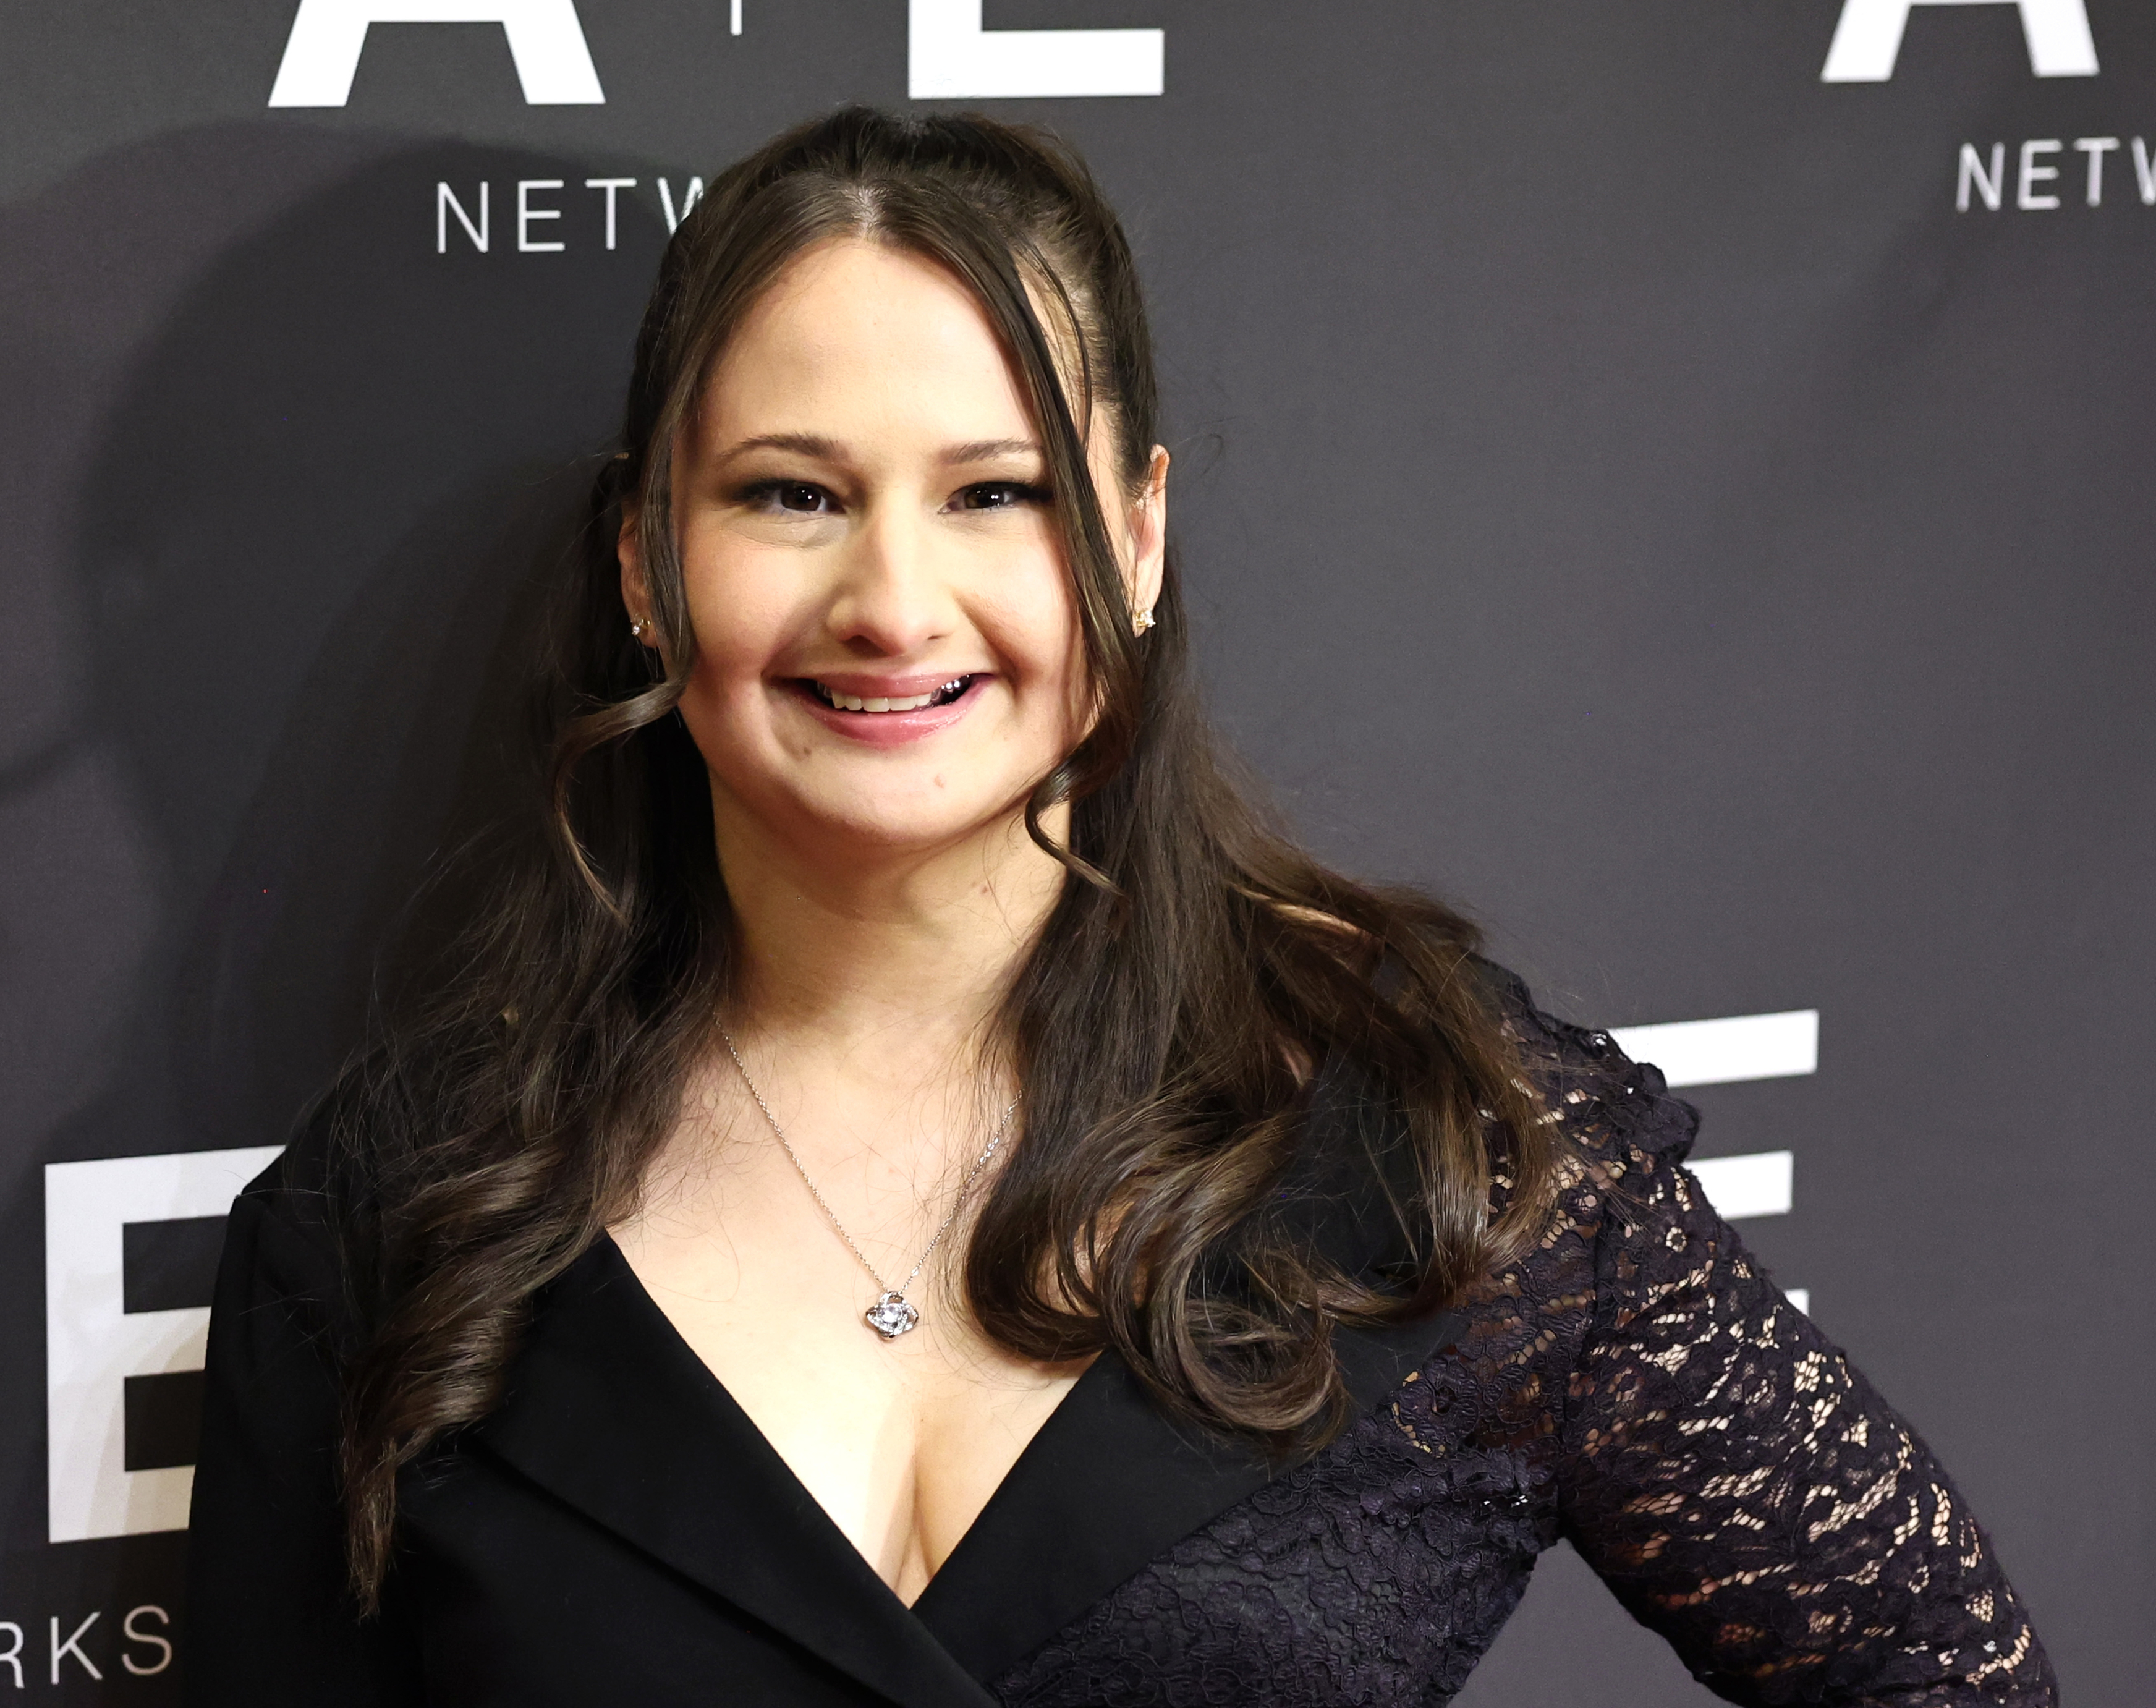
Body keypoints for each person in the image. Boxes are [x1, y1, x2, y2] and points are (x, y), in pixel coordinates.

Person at [185, 109, 2051, 1707]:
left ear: (1135, 538)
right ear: (646, 563)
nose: (894, 605)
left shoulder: (1445, 1130)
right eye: (789, 494)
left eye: (996, 492)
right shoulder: (395, 1224)